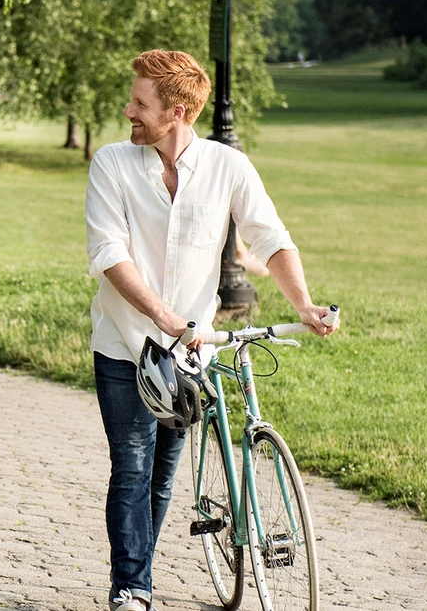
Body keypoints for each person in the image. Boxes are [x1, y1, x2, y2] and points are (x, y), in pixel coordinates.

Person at [83, 49, 335, 611]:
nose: (129, 110)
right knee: (132, 464)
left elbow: (271, 239)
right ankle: (132, 589)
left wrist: (306, 303)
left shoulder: (228, 168)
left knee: (162, 478)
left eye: (140, 103)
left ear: (176, 111)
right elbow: (108, 253)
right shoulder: (112, 164)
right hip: (124, 345)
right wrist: (165, 317)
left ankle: (136, 577)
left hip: (187, 355)